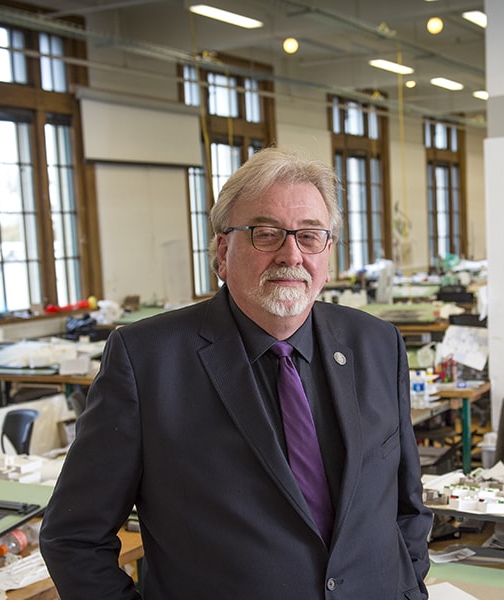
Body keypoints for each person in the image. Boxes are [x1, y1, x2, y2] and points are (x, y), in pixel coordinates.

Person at [40, 146, 433, 599]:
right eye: (266, 234)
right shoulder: (146, 361)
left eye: (309, 235)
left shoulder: (377, 344)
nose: (291, 254)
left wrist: (408, 589)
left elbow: (407, 507)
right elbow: (73, 538)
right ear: (223, 251)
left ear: (328, 253)